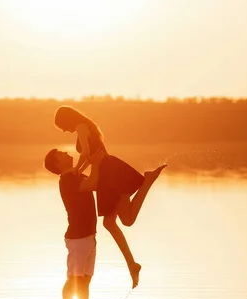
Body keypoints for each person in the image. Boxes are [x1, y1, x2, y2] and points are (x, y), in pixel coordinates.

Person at [54, 105, 167, 289]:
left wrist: (76, 170)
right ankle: (132, 265)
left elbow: (85, 153)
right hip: (107, 172)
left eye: (63, 126)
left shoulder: (81, 127)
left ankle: (147, 182)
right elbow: (89, 155)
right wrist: (80, 172)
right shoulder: (85, 127)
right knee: (111, 223)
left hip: (110, 173)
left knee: (124, 221)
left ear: (67, 119)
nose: (65, 130)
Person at [44, 147, 104, 299]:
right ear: (58, 164)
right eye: (60, 153)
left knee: (85, 280)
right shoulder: (67, 180)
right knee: (74, 279)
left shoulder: (75, 175)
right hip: (78, 237)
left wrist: (90, 160)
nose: (66, 152)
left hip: (89, 236)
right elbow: (93, 184)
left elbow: (92, 180)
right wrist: (94, 163)